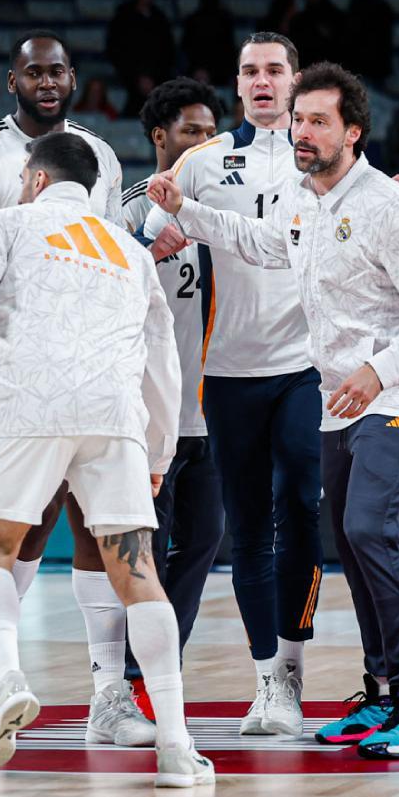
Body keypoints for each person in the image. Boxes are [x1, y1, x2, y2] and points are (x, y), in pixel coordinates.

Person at [150, 62, 399, 759]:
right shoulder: (302, 200)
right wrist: (185, 210)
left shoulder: (389, 206)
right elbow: (263, 244)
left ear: (353, 132)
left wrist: (379, 373)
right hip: (339, 396)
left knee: (368, 527)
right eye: (299, 120)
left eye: (319, 121)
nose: (302, 131)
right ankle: (384, 691)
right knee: (350, 541)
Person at [0, 131, 213, 786]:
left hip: (31, 407)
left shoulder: (6, 224)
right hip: (114, 418)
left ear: (37, 179)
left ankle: (4, 677)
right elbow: (162, 358)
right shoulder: (125, 249)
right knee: (139, 575)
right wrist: (158, 449)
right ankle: (176, 744)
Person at [0, 30, 144, 746]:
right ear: (13, 81)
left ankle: (109, 694)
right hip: (15, 376)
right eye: (34, 72)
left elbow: (108, 255)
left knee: (98, 528)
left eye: (57, 71)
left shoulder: (99, 155)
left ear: (73, 78)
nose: (47, 82)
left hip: (90, 370)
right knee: (19, 530)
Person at [140, 33, 322, 738]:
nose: (262, 80)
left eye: (275, 69)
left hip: (305, 364)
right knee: (247, 531)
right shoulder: (204, 161)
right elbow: (153, 236)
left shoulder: (321, 154)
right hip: (227, 372)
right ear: (239, 84)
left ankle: (294, 665)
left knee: (301, 505)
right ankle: (269, 680)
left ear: (294, 80)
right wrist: (162, 232)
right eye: (250, 71)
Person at [115, 78, 226, 711]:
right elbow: (100, 286)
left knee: (205, 540)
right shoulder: (130, 209)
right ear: (160, 136)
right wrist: (147, 251)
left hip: (214, 410)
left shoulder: (225, 209)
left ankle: (162, 661)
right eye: (192, 132)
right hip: (150, 414)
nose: (205, 143)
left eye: (212, 132)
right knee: (147, 552)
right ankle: (133, 679)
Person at [106, 0, 177, 117]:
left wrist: (153, 75)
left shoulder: (159, 18)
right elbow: (117, 49)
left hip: (158, 77)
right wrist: (138, 76)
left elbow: (167, 50)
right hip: (130, 77)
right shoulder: (123, 17)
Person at [342, 0, 394, 84]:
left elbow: (353, 35)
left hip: (363, 63)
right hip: (379, 61)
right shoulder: (382, 3)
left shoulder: (358, 4)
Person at [181, 0, 237, 84]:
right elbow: (188, 48)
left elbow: (228, 50)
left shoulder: (224, 21)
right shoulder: (193, 21)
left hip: (219, 74)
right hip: (201, 74)